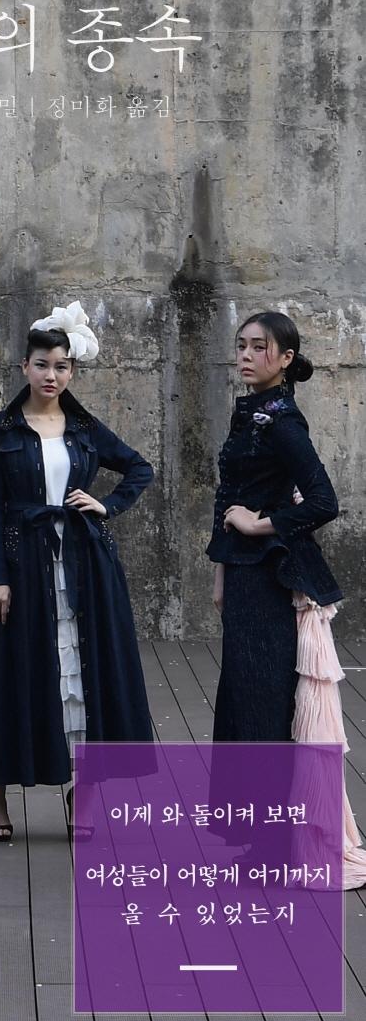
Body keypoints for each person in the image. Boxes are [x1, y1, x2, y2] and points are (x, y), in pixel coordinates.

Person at [0, 301, 154, 840]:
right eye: (43, 364)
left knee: (84, 672)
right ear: (24, 367)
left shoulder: (85, 427)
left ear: (72, 370)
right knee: (16, 671)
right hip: (25, 565)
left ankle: (80, 790)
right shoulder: (0, 429)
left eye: (62, 366)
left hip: (85, 564)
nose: (52, 375)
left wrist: (106, 506)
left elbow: (139, 467)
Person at [207, 310, 342, 742]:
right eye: (241, 346)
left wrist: (259, 525)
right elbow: (231, 495)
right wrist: (221, 571)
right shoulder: (251, 412)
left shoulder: (282, 421)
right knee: (240, 696)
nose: (246, 355)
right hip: (242, 573)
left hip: (269, 577)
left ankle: (265, 789)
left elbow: (324, 502)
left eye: (259, 347)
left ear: (286, 358)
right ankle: (242, 791)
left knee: (260, 698)